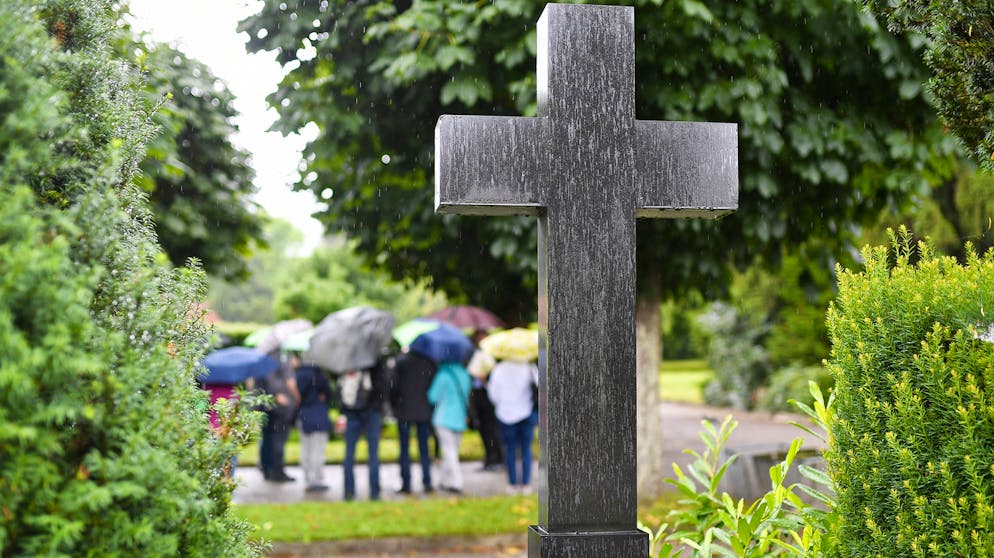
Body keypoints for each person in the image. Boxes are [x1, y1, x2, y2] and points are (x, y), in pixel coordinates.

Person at [487, 359, 539, 494]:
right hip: (526, 412)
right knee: (526, 449)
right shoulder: (529, 367)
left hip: (505, 414)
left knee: (510, 449)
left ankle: (512, 484)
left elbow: (493, 394)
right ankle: (526, 484)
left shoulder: (498, 369)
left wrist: (504, 404)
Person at [390, 349, 437, 494]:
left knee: (404, 449)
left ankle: (406, 484)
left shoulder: (401, 362)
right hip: (423, 411)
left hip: (404, 411)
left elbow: (393, 387)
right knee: (424, 449)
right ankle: (427, 482)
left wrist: (396, 406)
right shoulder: (428, 363)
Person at [339, 360, 388, 501]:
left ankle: (348, 493)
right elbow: (383, 388)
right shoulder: (374, 361)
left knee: (349, 453)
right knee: (373, 453)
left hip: (352, 411)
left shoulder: (347, 362)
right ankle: (374, 493)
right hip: (371, 412)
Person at [427, 360, 472, 494]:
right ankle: (444, 480)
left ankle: (457, 482)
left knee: (448, 451)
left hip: (443, 418)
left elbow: (432, 397)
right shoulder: (465, 374)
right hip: (460, 417)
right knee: (452, 451)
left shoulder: (442, 375)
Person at [258, 354, 300, 483]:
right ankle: (277, 471)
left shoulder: (263, 362)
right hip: (278, 408)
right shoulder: (278, 361)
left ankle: (267, 469)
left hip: (266, 406)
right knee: (277, 440)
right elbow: (282, 384)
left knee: (268, 439)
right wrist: (293, 398)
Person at [295, 358, 333, 493]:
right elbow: (329, 395)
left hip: (303, 415)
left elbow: (296, 396)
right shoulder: (320, 375)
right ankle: (317, 480)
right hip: (319, 415)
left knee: (306, 449)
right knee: (318, 450)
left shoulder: (298, 375)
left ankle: (308, 479)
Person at [466, 345, 502, 471]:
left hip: (490, 406)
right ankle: (490, 459)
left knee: (492, 433)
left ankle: (496, 459)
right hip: (479, 405)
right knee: (485, 433)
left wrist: (485, 380)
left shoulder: (493, 369)